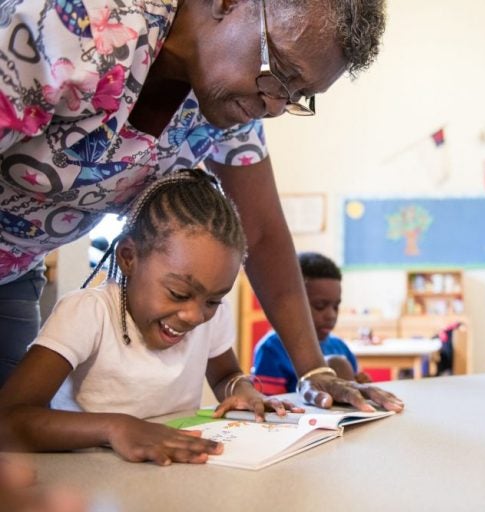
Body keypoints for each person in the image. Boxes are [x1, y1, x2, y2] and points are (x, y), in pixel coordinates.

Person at [0, 0, 402, 411]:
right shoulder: (81, 26)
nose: (277, 106)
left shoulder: (232, 99)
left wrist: (315, 372)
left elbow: (260, 232)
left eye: (299, 95)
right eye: (282, 72)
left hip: (14, 272)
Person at [0, 170, 329, 464]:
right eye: (179, 294)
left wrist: (241, 390)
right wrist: (115, 426)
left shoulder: (209, 317)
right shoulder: (88, 313)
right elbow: (9, 421)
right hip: (90, 481)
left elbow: (225, 374)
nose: (194, 315)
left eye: (214, 300)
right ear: (129, 258)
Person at [253, 252, 371, 395]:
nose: (331, 315)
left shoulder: (340, 347)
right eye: (320, 306)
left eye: (336, 306)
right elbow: (270, 407)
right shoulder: (271, 349)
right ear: (292, 305)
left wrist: (360, 386)